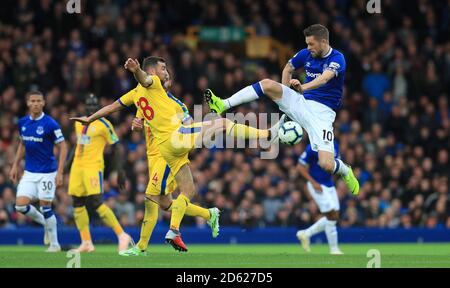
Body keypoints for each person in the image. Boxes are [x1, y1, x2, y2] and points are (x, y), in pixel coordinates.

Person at [71, 56, 283, 252]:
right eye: (164, 69)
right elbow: (143, 79)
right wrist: (136, 71)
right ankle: (266, 135)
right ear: (154, 71)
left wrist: (91, 118)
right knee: (222, 123)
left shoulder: (148, 97)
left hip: (168, 150)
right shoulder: (151, 82)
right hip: (173, 141)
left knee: (185, 192)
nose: (167, 73)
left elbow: (113, 106)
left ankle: (196, 220)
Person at [205, 24, 359, 195]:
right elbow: (288, 68)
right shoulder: (305, 54)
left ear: (323, 41)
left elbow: (324, 79)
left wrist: (303, 87)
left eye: (311, 44)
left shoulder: (338, 58)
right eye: (307, 44)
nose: (308, 48)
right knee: (267, 84)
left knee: (326, 164)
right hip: (301, 102)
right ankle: (223, 104)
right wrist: (286, 95)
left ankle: (345, 170)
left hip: (322, 114)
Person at [120, 73, 220, 256]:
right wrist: (136, 123)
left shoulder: (177, 105)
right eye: (161, 75)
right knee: (165, 203)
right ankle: (209, 214)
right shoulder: (146, 97)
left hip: (166, 155)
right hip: (153, 156)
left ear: (169, 83)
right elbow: (139, 121)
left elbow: (188, 126)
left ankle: (141, 247)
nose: (163, 78)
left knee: (150, 197)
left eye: (166, 77)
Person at [67, 93, 132, 253]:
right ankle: (86, 242)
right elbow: (76, 145)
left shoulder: (104, 124)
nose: (91, 107)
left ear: (98, 107)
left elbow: (117, 146)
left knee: (96, 202)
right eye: (88, 104)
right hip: (77, 167)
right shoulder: (79, 123)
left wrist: (120, 171)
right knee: (77, 203)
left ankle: (122, 234)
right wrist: (64, 168)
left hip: (93, 167)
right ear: (84, 106)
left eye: (94, 104)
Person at [9, 90, 67, 252]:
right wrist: (15, 165)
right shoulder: (22, 123)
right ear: (28, 103)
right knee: (20, 206)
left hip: (47, 172)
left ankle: (55, 245)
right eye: (32, 101)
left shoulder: (50, 124)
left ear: (43, 103)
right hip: (29, 172)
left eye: (38, 101)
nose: (35, 103)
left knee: (45, 206)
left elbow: (63, 146)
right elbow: (22, 144)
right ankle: (45, 223)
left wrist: (60, 172)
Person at [296, 140, 343, 255]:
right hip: (316, 184)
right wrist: (313, 183)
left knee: (334, 216)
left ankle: (305, 234)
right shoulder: (312, 147)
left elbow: (337, 163)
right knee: (331, 215)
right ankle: (334, 249)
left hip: (329, 184)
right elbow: (300, 167)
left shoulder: (335, 144)